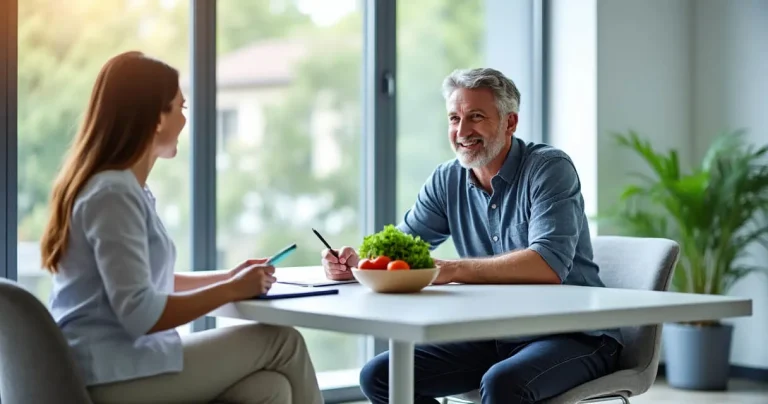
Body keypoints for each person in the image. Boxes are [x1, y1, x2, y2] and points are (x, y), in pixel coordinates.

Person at [321, 67, 623, 403]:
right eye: (454, 118)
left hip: (575, 334)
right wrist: (357, 263)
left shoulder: (549, 168)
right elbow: (401, 251)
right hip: (496, 334)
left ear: (510, 123)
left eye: (475, 117)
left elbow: (547, 266)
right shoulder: (447, 179)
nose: (462, 131)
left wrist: (453, 269)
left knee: (503, 384)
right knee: (381, 376)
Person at [40, 51, 324, 404]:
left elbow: (146, 283)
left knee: (268, 390)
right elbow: (140, 314)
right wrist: (230, 291)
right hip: (111, 374)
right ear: (156, 118)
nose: (184, 121)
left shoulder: (124, 189)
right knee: (283, 341)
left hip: (120, 365)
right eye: (180, 108)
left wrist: (229, 278)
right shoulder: (113, 193)